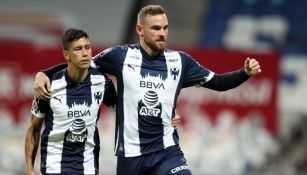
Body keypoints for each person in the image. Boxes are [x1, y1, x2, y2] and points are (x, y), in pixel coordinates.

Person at [33, 5, 261, 175]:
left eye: (165, 28)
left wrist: (244, 73)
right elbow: (80, 64)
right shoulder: (120, 56)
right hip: (130, 157)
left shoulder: (180, 61)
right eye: (155, 28)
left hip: (167, 152)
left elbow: (219, 83)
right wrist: (45, 72)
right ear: (140, 29)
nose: (162, 33)